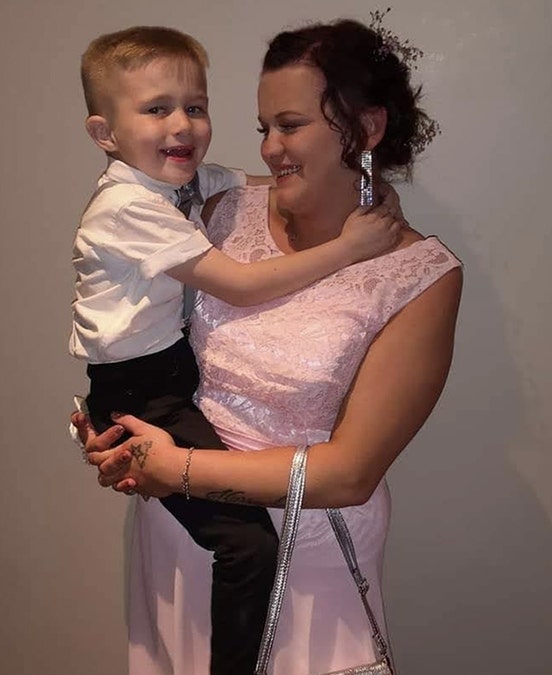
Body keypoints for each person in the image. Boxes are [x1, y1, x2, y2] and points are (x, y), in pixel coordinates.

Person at [75, 18, 462, 674]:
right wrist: (119, 435)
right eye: (262, 128)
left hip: (304, 558)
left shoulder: (421, 277)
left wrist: (180, 468)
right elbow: (138, 332)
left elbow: (352, 472)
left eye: (290, 124)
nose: (272, 148)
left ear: (366, 129)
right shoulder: (223, 208)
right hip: (177, 535)